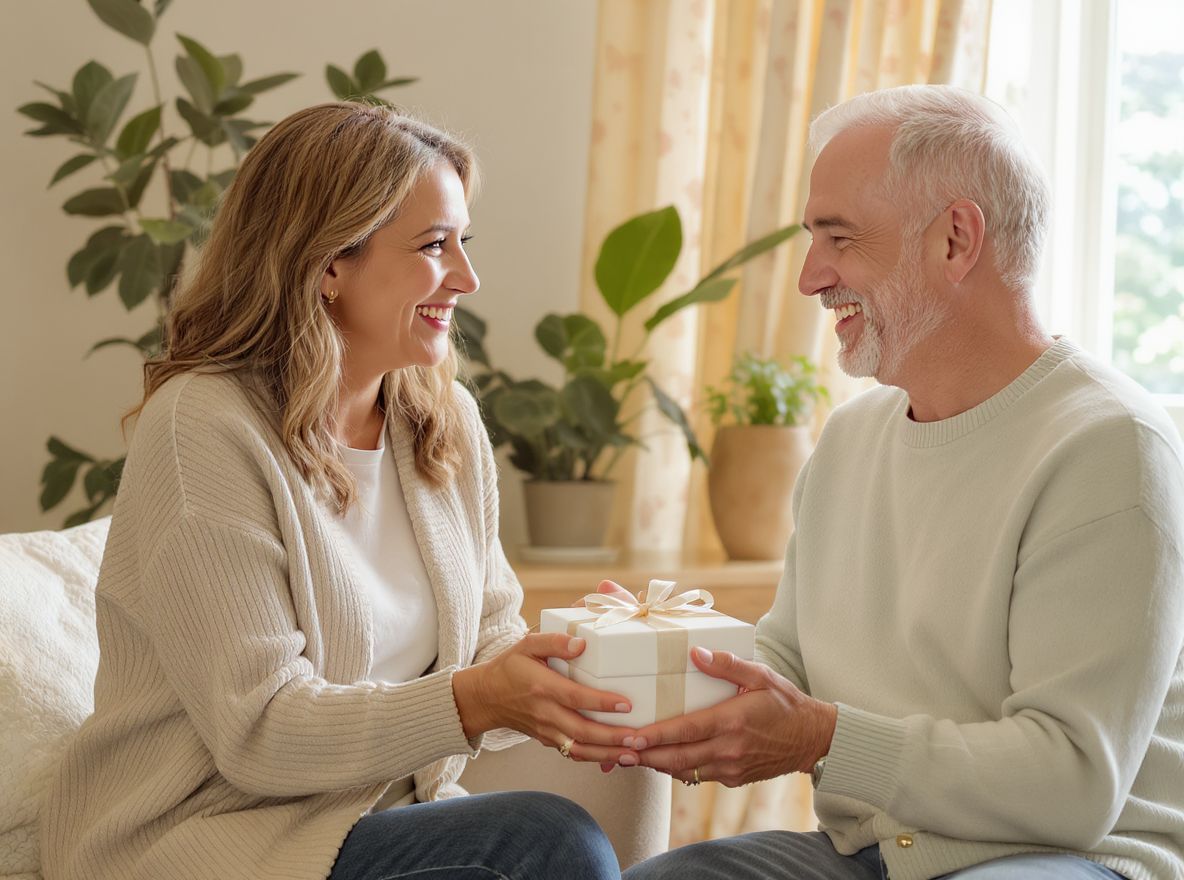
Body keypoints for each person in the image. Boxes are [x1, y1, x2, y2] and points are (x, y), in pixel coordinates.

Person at [40, 102, 638, 880]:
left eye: (464, 241)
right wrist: (479, 698)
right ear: (327, 263)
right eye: (434, 245)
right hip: (208, 840)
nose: (467, 277)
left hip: (375, 828)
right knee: (545, 841)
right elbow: (260, 731)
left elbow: (490, 638)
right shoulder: (202, 428)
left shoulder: (443, 421)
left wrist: (574, 658)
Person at [618, 85, 1184, 879]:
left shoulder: (1108, 447)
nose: (811, 277)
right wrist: (631, 665)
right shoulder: (851, 440)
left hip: (1070, 856)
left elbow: (1071, 783)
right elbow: (788, 661)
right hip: (878, 855)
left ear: (956, 240)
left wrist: (821, 738)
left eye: (839, 237)